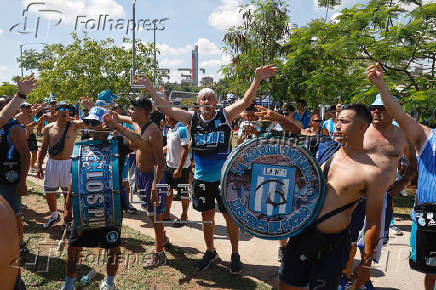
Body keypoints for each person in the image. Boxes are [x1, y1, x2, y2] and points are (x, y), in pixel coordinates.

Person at [134, 65, 277, 274]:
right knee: (207, 217)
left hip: (225, 179)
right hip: (201, 179)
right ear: (199, 103)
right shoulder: (192, 119)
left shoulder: (225, 115)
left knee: (230, 218)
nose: (206, 102)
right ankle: (210, 251)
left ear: (215, 102)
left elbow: (245, 102)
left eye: (210, 99)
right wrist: (151, 90)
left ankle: (235, 254)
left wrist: (257, 79)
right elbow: (166, 108)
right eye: (203, 99)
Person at [270, 104, 385, 289]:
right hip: (302, 234)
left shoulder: (371, 172)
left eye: (344, 121)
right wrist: (276, 117)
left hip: (332, 246)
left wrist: (365, 264)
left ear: (362, 127)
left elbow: (373, 223)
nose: (337, 125)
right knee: (285, 286)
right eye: (337, 120)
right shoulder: (326, 147)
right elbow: (299, 132)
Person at [368, 62, 436, 290]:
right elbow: (397, 112)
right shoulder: (426, 136)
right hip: (430, 217)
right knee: (430, 269)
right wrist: (382, 88)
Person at [340, 94, 417, 289]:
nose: (376, 111)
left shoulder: (402, 136)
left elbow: (413, 164)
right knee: (348, 238)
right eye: (373, 108)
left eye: (381, 108)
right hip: (356, 195)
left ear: (392, 111)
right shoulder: (360, 130)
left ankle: (363, 279)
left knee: (372, 240)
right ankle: (344, 276)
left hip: (382, 196)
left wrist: (403, 182)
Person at [62, 106, 131, 290]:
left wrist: (118, 125)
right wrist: (68, 207)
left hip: (110, 208)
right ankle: (69, 285)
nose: (90, 126)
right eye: (88, 122)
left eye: (94, 122)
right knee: (74, 247)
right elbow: (73, 178)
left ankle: (109, 283)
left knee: (112, 246)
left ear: (104, 123)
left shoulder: (119, 143)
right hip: (84, 208)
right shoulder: (82, 146)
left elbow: (142, 143)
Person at [107, 97, 167, 267]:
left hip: (153, 177)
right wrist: (115, 118)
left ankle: (160, 252)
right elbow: (124, 119)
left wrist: (155, 185)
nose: (129, 112)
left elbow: (160, 162)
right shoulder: (139, 125)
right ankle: (161, 237)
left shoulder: (153, 131)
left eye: (132, 109)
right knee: (152, 213)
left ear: (142, 111)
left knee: (155, 215)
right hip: (141, 175)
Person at [37, 102, 85, 230]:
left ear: (69, 112)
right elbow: (43, 148)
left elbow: (91, 123)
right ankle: (54, 215)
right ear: (55, 112)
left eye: (67, 109)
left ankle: (67, 219)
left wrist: (90, 108)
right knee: (49, 192)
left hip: (68, 163)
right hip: (52, 163)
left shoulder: (74, 126)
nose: (64, 111)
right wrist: (38, 166)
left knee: (67, 194)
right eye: (61, 109)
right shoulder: (49, 128)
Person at [162, 113, 191, 226]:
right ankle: (167, 213)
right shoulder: (170, 130)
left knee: (183, 192)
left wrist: (179, 168)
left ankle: (184, 216)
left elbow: (185, 150)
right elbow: (169, 147)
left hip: (181, 168)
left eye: (165, 117)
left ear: (170, 117)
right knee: (168, 190)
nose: (164, 120)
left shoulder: (182, 129)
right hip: (169, 166)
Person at [15, 102, 44, 172]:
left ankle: (31, 167)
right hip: (22, 136)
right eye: (27, 107)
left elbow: (39, 108)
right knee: (23, 153)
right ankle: (21, 167)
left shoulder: (32, 113)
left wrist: (46, 103)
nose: (29, 108)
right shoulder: (17, 117)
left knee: (34, 151)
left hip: (31, 135)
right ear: (22, 109)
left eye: (29, 107)